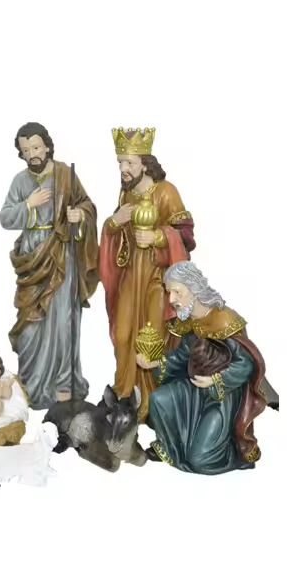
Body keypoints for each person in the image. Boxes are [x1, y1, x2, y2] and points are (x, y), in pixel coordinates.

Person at [136, 261, 274, 474]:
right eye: (169, 292)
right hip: (195, 389)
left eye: (177, 292)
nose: (171, 300)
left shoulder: (224, 320)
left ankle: (234, 452)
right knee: (159, 399)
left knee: (200, 459)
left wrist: (215, 380)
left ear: (194, 289)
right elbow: (182, 357)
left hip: (222, 397)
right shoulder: (191, 321)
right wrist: (156, 363)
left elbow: (245, 364)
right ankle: (172, 449)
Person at [0, 122, 99, 410]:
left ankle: (64, 385)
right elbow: (5, 217)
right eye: (26, 149)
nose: (32, 153)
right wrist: (28, 205)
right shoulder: (20, 181)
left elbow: (88, 206)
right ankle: (31, 384)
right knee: (30, 325)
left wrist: (79, 215)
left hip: (62, 254)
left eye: (36, 147)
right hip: (33, 257)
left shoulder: (66, 175)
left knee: (64, 320)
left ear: (47, 146)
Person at [99, 127, 195, 422]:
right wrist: (113, 223)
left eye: (129, 163)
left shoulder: (166, 192)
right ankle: (124, 394)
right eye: (120, 163)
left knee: (151, 338)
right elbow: (117, 236)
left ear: (145, 163)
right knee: (123, 334)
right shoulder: (126, 193)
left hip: (157, 279)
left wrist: (158, 237)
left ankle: (152, 402)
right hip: (131, 276)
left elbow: (187, 236)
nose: (123, 169)